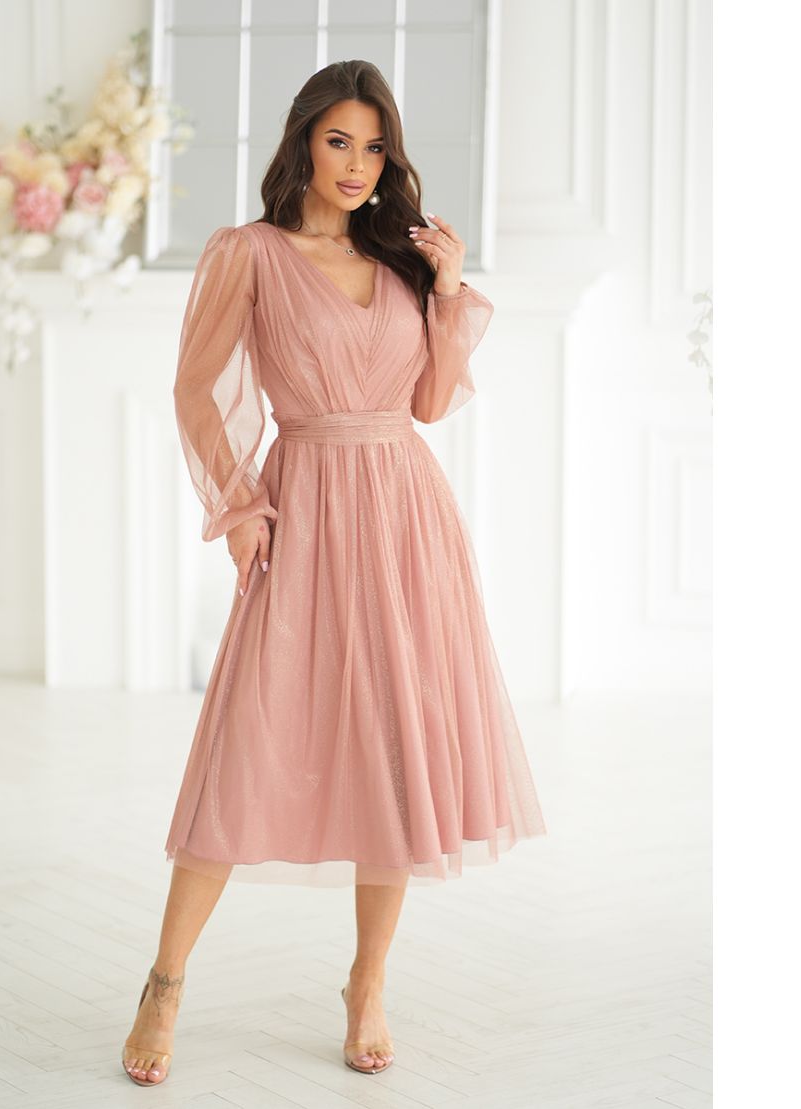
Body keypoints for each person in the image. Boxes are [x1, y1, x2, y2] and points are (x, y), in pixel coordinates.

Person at [122, 59, 547, 1087]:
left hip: (404, 512)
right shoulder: (250, 253)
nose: (357, 164)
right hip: (304, 508)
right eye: (338, 141)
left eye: (374, 145)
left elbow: (431, 404)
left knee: (395, 747)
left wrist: (447, 287)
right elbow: (195, 390)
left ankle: (367, 982)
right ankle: (165, 982)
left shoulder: (401, 259)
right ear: (304, 143)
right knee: (247, 739)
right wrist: (240, 505)